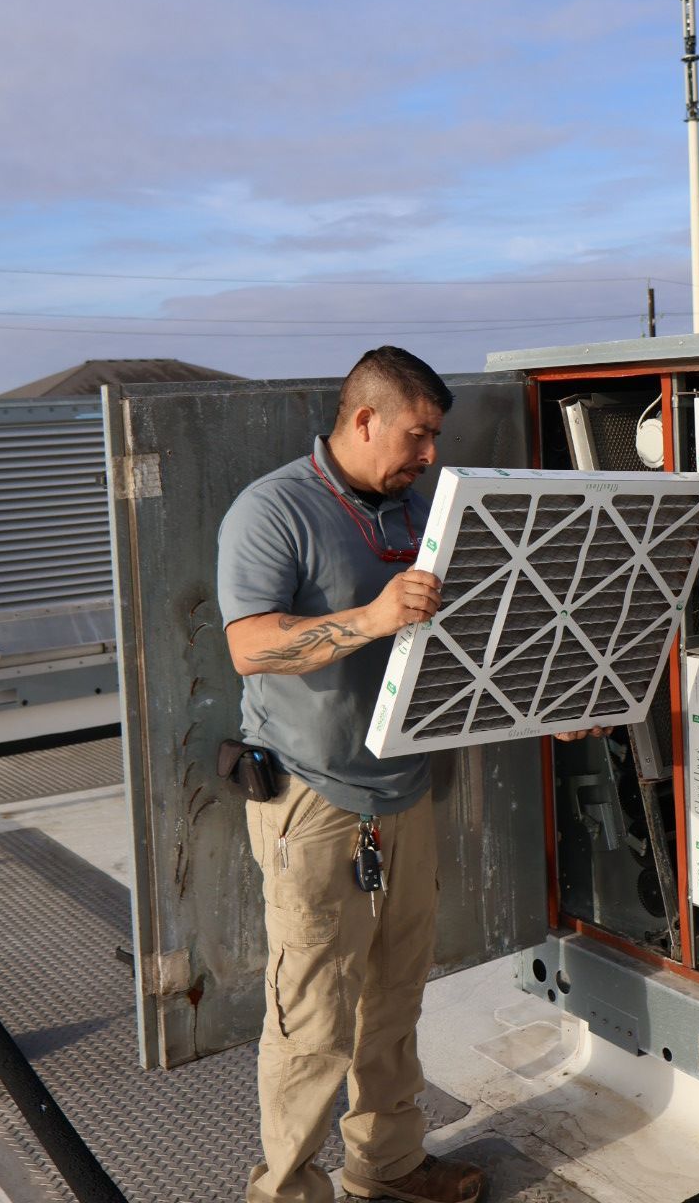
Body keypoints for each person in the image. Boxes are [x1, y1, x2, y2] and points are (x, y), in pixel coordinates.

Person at [217, 346, 481, 1203]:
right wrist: (369, 618)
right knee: (311, 1022)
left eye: (435, 439)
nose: (429, 454)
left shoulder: (419, 508)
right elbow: (250, 645)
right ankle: (286, 1192)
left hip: (404, 792)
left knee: (396, 999)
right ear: (365, 419)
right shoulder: (274, 510)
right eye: (418, 434)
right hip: (313, 799)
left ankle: (390, 1167)